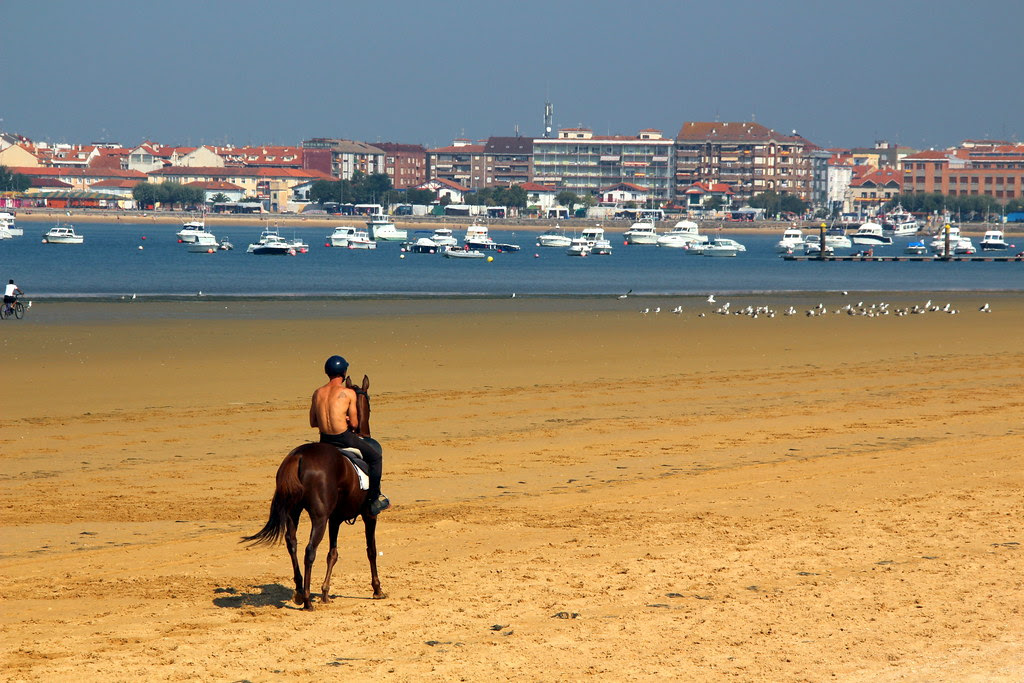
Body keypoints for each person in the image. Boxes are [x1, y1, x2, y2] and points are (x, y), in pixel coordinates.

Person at [310, 355, 389, 516]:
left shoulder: (317, 393)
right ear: (344, 372)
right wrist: (344, 419)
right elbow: (354, 424)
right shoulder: (347, 393)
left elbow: (313, 422)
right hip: (343, 438)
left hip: (324, 441)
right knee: (375, 458)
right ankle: (374, 499)